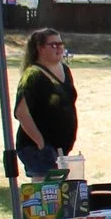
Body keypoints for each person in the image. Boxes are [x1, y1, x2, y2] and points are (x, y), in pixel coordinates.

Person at [12, 28, 77, 179]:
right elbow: (21, 113)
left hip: (59, 150)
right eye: (53, 45)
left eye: (61, 43)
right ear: (40, 48)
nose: (59, 48)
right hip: (38, 149)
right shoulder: (33, 75)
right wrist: (40, 143)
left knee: (62, 195)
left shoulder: (65, 70)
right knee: (46, 195)